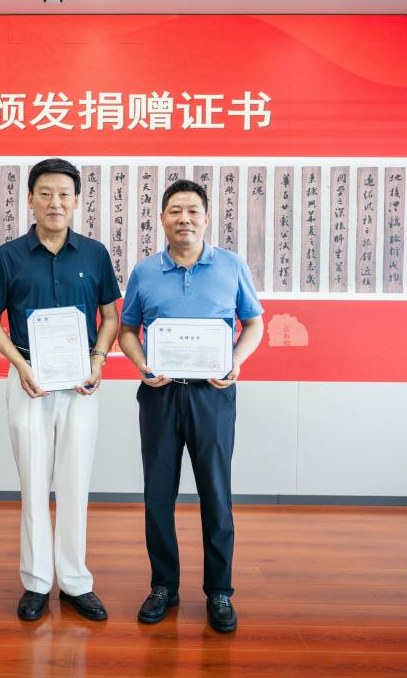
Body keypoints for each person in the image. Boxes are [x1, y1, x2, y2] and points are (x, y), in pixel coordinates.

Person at [117, 178, 264, 633]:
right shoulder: (144, 271)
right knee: (158, 494)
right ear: (162, 218)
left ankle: (220, 591)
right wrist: (142, 364)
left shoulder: (231, 266)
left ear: (206, 218)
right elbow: (127, 331)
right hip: (160, 393)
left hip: (212, 394)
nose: (184, 219)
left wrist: (235, 362)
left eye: (193, 211)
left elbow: (254, 324)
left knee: (216, 493)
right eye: (175, 211)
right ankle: (164, 585)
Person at [0, 158, 121, 621]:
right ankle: (37, 581)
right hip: (30, 379)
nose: (55, 202)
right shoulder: (9, 256)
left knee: (76, 482)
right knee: (34, 483)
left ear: (77, 201)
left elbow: (110, 316)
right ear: (30, 199)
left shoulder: (95, 254)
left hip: (81, 381)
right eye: (45, 193)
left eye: (64, 194)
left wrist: (98, 359)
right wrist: (19, 365)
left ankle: (76, 582)